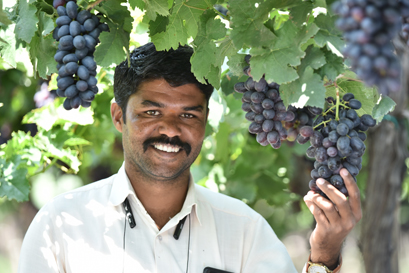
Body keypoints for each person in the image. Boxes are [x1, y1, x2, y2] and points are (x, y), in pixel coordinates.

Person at [18, 43, 362, 273]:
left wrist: (324, 254)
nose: (170, 130)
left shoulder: (243, 229)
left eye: (188, 115)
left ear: (206, 121)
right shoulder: (60, 225)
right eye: (152, 112)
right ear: (119, 116)